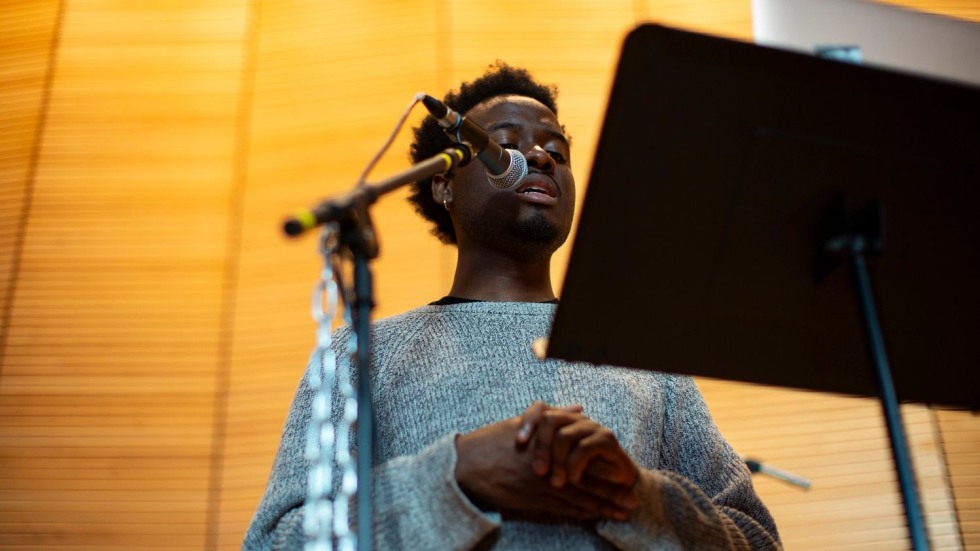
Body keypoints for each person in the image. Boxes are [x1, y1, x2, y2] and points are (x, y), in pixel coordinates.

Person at [244, 62, 781, 550]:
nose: (542, 157)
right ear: (443, 184)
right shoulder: (363, 353)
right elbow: (279, 542)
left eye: (558, 152)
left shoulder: (638, 354)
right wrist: (458, 476)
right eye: (504, 142)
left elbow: (757, 540)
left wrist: (638, 497)